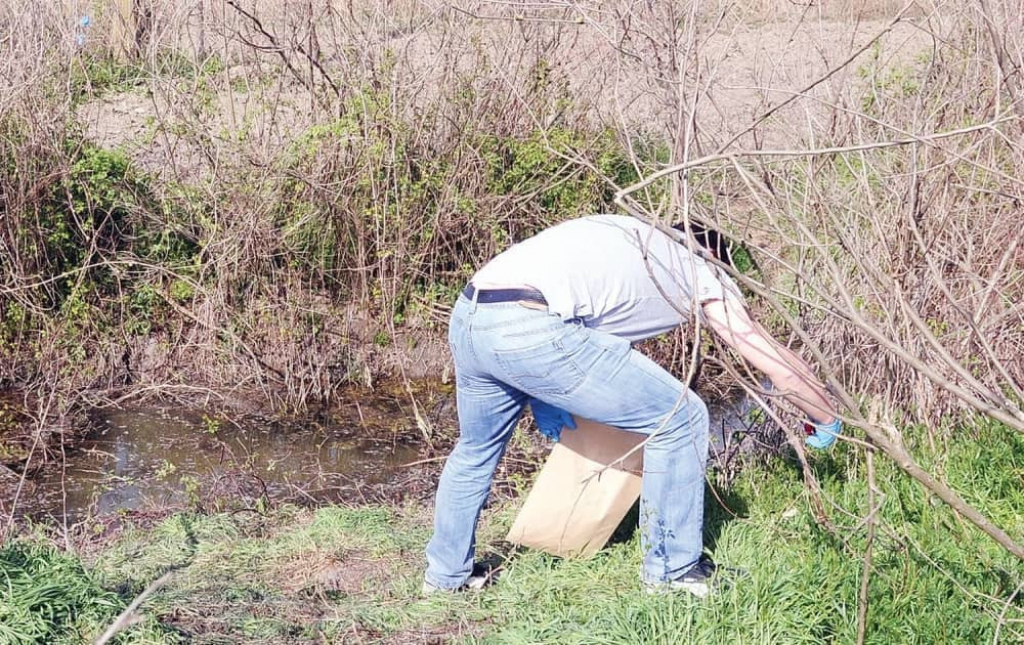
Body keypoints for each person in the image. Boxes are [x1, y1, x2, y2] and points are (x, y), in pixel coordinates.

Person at [423, 214, 842, 597]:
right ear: (713, 253)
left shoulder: (627, 230)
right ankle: (674, 572)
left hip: (471, 313)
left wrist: (540, 395)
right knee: (681, 417)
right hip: (533, 324)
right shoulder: (699, 269)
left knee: (476, 449)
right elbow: (765, 354)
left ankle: (445, 576)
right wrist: (824, 416)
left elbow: (586, 311)